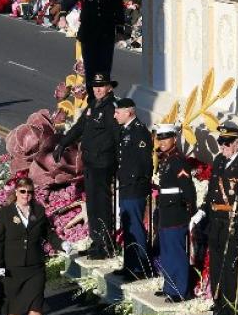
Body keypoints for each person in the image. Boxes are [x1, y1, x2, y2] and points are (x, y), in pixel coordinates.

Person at [189, 122, 238, 315]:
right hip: (216, 220)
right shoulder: (220, 161)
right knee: (216, 263)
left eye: (227, 143)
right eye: (221, 142)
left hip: (234, 221)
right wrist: (202, 211)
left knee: (230, 266)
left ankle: (229, 310)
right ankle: (218, 302)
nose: (222, 146)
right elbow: (213, 190)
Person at [0, 178, 69, 315]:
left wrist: (62, 245)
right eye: (23, 191)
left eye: (30, 192)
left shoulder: (39, 211)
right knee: (14, 308)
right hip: (12, 268)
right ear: (16, 192)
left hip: (35, 267)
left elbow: (48, 234)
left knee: (36, 308)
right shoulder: (4, 213)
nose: (27, 195)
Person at [54, 73, 119, 259]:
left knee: (102, 205)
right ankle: (96, 241)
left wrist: (114, 161)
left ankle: (105, 245)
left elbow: (116, 137)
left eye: (102, 86)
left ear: (109, 88)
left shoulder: (111, 108)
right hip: (90, 164)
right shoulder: (93, 105)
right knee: (92, 205)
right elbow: (79, 127)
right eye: (95, 86)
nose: (98, 89)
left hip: (103, 164)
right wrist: (62, 143)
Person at [60, 0, 126, 97]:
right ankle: (92, 99)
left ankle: (105, 99)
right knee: (91, 68)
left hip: (106, 32)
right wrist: (62, 16)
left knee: (105, 68)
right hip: (89, 32)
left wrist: (120, 31)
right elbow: (68, 0)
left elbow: (118, 8)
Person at [110, 98, 154, 280]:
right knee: (128, 227)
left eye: (118, 112)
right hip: (127, 185)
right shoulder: (125, 130)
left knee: (135, 227)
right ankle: (130, 265)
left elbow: (144, 162)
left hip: (135, 187)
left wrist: (136, 180)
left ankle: (140, 268)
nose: (115, 115)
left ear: (129, 112)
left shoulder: (139, 132)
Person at [153, 123, 197, 301]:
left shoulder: (177, 159)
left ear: (174, 138)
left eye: (166, 138)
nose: (162, 142)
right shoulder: (167, 159)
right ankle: (169, 286)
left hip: (176, 212)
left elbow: (188, 188)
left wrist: (190, 210)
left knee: (176, 251)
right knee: (167, 250)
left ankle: (180, 290)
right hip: (166, 210)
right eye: (160, 138)